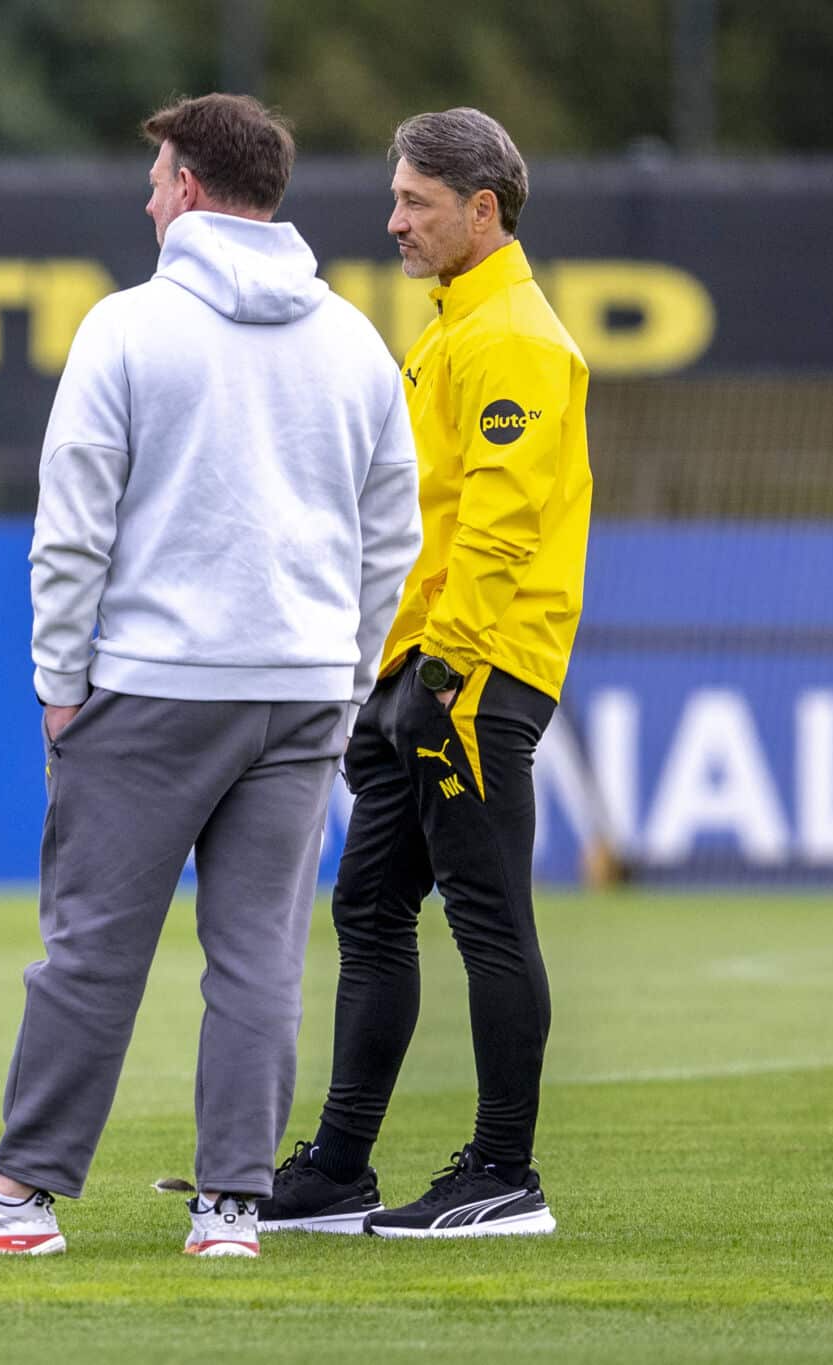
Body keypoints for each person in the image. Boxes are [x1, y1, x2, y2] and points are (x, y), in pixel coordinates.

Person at [0, 93, 421, 1259]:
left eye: (154, 179)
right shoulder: (353, 340)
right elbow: (392, 536)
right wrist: (346, 678)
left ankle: (18, 1201)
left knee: (89, 948)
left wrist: (57, 678)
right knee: (259, 961)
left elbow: (72, 524)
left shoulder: (126, 327)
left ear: (185, 187)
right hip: (299, 690)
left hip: (154, 685)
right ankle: (230, 1213)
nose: (145, 200)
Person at [260, 107, 592, 1239]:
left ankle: (504, 1174)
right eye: (396, 198)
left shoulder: (513, 339)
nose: (394, 220)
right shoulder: (461, 326)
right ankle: (337, 1171)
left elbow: (499, 528)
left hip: (473, 673)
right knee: (369, 906)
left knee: (488, 920)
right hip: (422, 668)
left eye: (415, 201)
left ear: (480, 209)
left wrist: (441, 673)